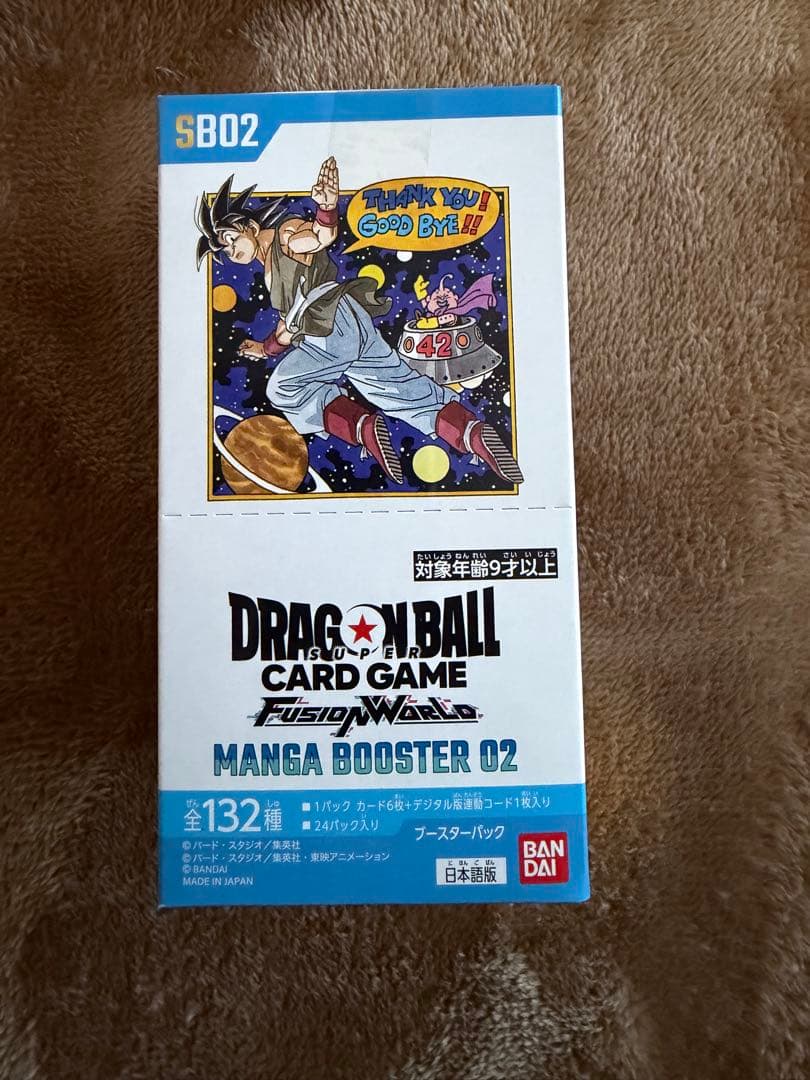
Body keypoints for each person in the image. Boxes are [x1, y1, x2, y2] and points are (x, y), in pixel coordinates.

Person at [196, 160, 523, 485]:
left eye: (230, 239)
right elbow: (288, 327)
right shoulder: (270, 263)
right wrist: (265, 349)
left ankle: (361, 426)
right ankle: (471, 433)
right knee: (398, 388)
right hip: (350, 320)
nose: (230, 251)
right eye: (224, 250)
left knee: (283, 387)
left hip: (329, 328)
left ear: (249, 226)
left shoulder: (284, 236)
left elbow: (317, 237)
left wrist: (326, 209)